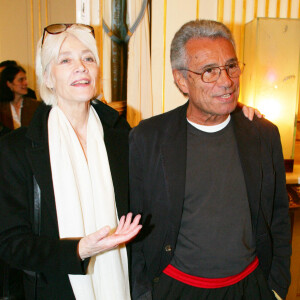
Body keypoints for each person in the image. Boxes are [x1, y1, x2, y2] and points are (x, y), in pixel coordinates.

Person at [129, 19, 291, 300]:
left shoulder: (263, 134)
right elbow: (134, 222)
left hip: (250, 287)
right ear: (181, 79)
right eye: (209, 72)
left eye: (231, 66)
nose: (226, 81)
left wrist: (276, 286)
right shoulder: (148, 138)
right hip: (175, 289)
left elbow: (278, 217)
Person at [0, 23, 142, 299]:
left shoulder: (122, 136)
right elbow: (10, 243)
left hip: (123, 284)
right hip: (54, 289)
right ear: (47, 78)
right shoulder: (15, 150)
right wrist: (78, 250)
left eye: (88, 58)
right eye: (65, 60)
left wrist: (235, 113)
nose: (81, 67)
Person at [0, 65, 40, 130]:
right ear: (9, 84)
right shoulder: (2, 108)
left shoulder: (35, 106)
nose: (26, 83)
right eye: (21, 80)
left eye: (25, 79)